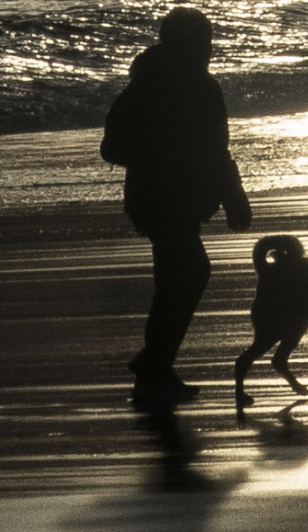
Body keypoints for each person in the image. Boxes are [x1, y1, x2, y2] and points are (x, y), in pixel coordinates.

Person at [102, 7, 251, 410]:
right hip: (162, 200)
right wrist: (233, 196)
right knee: (187, 274)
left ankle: (155, 367)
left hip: (161, 199)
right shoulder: (183, 87)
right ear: (188, 42)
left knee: (179, 277)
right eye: (204, 39)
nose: (210, 47)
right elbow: (112, 147)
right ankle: (153, 366)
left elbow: (214, 149)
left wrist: (230, 194)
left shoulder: (150, 83)